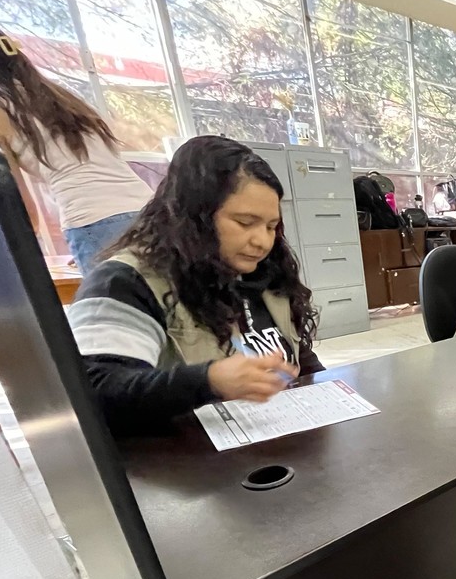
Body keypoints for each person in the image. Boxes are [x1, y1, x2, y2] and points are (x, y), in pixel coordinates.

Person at [66, 135, 323, 434]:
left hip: (276, 441)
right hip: (184, 464)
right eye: (244, 222)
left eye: (271, 226)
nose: (262, 241)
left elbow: (300, 358)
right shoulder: (124, 283)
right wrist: (207, 381)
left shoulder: (263, 270)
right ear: (194, 216)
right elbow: (95, 391)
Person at [0, 5, 152, 275]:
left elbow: (22, 210)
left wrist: (91, 245)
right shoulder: (56, 95)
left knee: (122, 314)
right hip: (150, 216)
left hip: (94, 223)